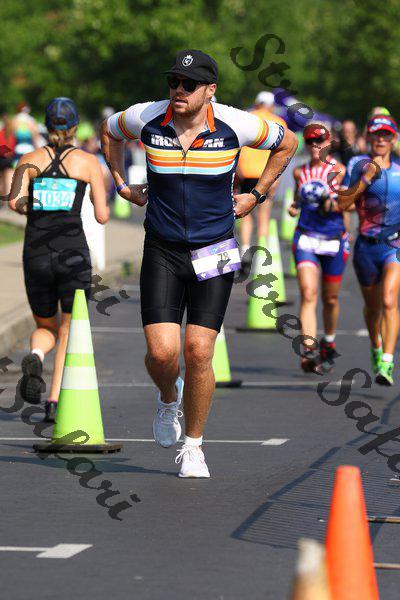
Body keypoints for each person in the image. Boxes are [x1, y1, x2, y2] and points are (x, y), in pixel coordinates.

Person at [101, 49, 298, 477]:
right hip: (163, 249)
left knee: (199, 351)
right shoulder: (146, 117)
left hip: (214, 248)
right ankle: (167, 399)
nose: (178, 90)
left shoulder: (237, 124)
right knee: (162, 353)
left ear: (210, 90)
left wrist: (257, 194)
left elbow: (288, 143)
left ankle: (193, 446)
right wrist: (120, 184)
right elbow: (108, 131)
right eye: (173, 81)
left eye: (188, 84)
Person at [8, 97, 109, 421]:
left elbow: (14, 203)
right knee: (68, 328)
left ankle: (37, 354)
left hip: (36, 253)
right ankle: (53, 401)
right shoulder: (87, 162)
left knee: (45, 326)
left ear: (46, 125)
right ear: (76, 127)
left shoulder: (29, 158)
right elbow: (102, 215)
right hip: (73, 255)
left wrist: (40, 204)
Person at [338, 114, 400, 385]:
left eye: (386, 135)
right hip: (366, 246)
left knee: (389, 300)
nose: (381, 140)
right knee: (373, 309)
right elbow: (342, 204)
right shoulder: (357, 165)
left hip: (394, 245)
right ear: (369, 138)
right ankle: (376, 346)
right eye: (377, 135)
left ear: (393, 139)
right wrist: (365, 180)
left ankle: (387, 361)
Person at [290, 124, 349, 373]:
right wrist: (294, 206)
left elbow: (348, 205)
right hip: (306, 237)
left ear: (329, 142)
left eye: (320, 141)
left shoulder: (339, 170)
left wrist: (333, 204)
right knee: (308, 292)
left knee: (330, 299)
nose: (315, 146)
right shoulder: (299, 172)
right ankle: (309, 352)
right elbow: (298, 198)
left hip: (333, 239)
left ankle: (329, 341)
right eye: (310, 141)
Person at [237, 91, 287, 261]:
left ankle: (245, 248)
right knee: (263, 215)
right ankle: (260, 252)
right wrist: (276, 178)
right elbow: (282, 154)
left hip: (247, 172)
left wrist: (238, 171)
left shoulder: (246, 118)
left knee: (246, 214)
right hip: (267, 174)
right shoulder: (278, 122)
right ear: (271, 105)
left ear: (256, 102)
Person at [0, 111, 16, 200]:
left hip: (1, 159)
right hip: (9, 159)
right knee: (8, 179)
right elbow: (13, 148)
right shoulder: (12, 134)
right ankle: (7, 198)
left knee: (2, 179)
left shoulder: (1, 133)